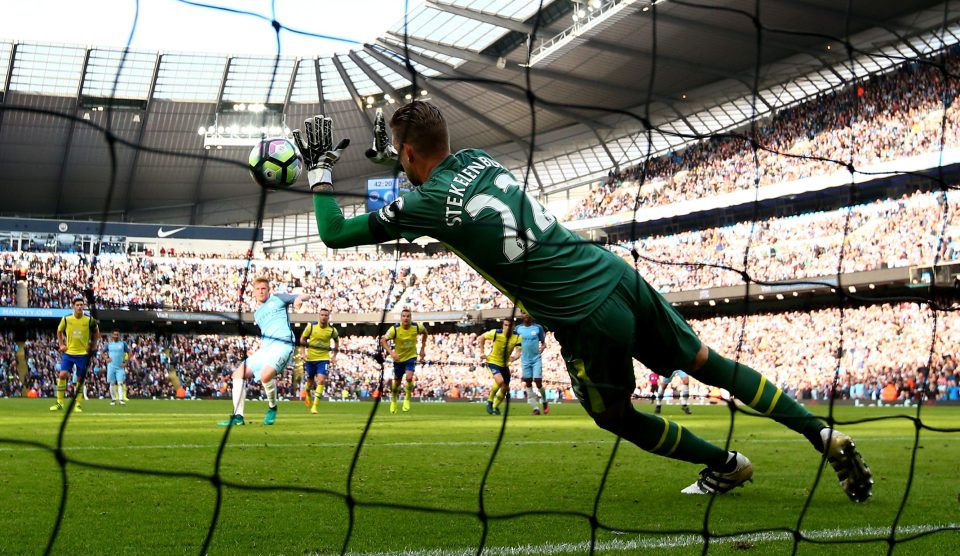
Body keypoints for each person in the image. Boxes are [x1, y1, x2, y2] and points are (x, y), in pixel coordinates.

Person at [298, 102, 873, 500]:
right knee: (706, 363)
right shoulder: (476, 158)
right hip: (612, 273)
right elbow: (432, 172)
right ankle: (820, 434)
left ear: (406, 154)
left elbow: (333, 232)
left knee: (613, 416)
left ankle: (724, 464)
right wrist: (391, 157)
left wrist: (321, 171)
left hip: (581, 312)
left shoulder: (424, 206)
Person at [218, 278, 308, 426]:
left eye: (263, 289)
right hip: (265, 349)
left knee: (265, 377)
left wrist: (298, 299)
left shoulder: (278, 299)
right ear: (253, 292)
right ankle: (238, 417)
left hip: (283, 346)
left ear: (268, 290)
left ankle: (272, 407)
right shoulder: (257, 314)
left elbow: (305, 296)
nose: (261, 291)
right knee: (238, 374)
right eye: (258, 289)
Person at [50, 296, 100, 413]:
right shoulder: (67, 319)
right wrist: (61, 344)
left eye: (81, 305)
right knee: (62, 375)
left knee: (79, 378)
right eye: (77, 305)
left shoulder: (89, 320)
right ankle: (59, 402)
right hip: (69, 353)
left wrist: (92, 345)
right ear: (73, 306)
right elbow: (59, 331)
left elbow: (96, 332)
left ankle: (77, 404)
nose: (79, 307)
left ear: (83, 306)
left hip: (83, 354)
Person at [379, 308, 428, 413]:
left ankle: (407, 397)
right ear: (401, 318)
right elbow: (383, 340)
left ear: (411, 318)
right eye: (404, 316)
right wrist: (392, 353)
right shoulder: (395, 329)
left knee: (409, 377)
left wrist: (423, 348)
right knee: (397, 383)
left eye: (408, 316)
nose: (406, 318)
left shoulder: (417, 327)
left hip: (411, 356)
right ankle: (394, 400)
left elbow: (425, 333)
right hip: (399, 359)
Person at [478, 318, 522, 415]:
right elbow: (481, 337)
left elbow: (518, 352)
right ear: (503, 326)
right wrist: (481, 352)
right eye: (505, 325)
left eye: (509, 325)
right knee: (500, 381)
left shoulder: (517, 337)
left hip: (505, 364)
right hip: (492, 361)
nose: (507, 327)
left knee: (505, 387)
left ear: (513, 327)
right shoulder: (496, 333)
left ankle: (495, 407)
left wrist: (514, 357)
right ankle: (489, 401)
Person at [300, 308, 339, 414]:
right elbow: (302, 339)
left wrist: (334, 355)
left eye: (326, 315)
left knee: (321, 380)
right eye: (322, 315)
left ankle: (314, 407)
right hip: (311, 359)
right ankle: (307, 391)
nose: (324, 317)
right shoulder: (311, 327)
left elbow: (336, 341)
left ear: (328, 317)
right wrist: (303, 353)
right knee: (310, 382)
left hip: (324, 359)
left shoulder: (332, 330)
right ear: (319, 315)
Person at [515, 312, 548, 415]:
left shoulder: (538, 328)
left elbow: (543, 343)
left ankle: (544, 400)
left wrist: (541, 349)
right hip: (525, 360)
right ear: (521, 315)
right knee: (528, 382)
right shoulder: (517, 329)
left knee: (538, 381)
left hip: (536, 359)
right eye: (524, 313)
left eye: (528, 313)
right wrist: (516, 354)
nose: (526, 315)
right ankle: (535, 408)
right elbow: (516, 344)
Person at [105, 329, 131, 406]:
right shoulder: (109, 344)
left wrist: (126, 363)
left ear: (119, 336)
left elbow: (129, 353)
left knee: (120, 383)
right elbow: (102, 352)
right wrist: (106, 358)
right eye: (115, 334)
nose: (116, 336)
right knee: (112, 383)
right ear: (112, 335)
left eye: (117, 334)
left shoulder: (123, 344)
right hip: (111, 366)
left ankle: (121, 399)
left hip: (120, 367)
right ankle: (113, 399)